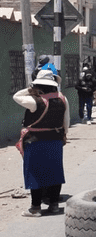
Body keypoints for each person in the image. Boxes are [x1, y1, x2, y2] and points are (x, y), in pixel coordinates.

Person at [13, 65, 69, 217]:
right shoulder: (62, 99)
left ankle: (35, 208)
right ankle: (54, 205)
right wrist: (63, 136)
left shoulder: (33, 100)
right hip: (55, 140)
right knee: (55, 172)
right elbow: (66, 122)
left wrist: (30, 88)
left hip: (35, 142)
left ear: (37, 85)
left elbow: (16, 96)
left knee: (35, 173)